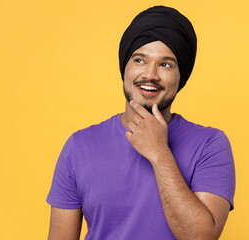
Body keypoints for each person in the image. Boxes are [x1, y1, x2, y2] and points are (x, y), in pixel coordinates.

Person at [46, 5, 235, 240]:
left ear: (180, 77)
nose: (150, 75)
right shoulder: (79, 146)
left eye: (166, 64)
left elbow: (201, 237)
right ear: (124, 67)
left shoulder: (210, 144)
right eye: (140, 60)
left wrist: (159, 153)